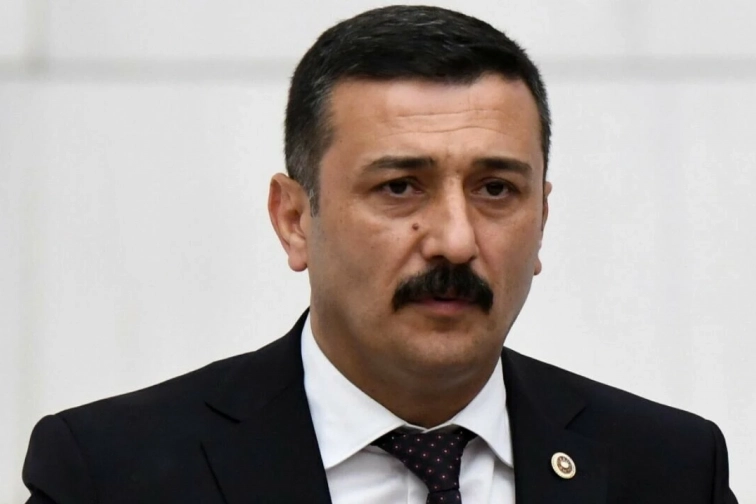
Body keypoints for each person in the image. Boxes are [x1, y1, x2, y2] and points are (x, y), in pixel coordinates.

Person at [22, 5, 737, 504]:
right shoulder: (108, 475)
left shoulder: (670, 470)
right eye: (400, 187)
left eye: (495, 189)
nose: (455, 240)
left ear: (542, 219)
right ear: (294, 219)